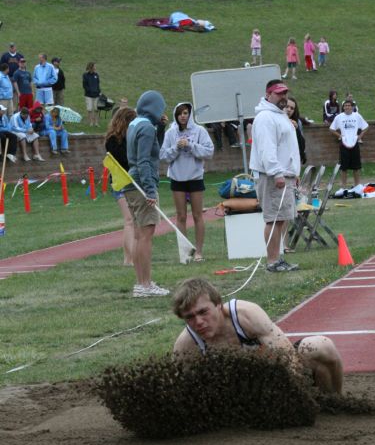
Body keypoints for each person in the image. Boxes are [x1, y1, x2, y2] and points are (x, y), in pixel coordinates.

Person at [172, 278, 344, 393]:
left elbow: (289, 360)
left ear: (218, 305)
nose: (199, 321)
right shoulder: (186, 345)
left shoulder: (245, 315)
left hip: (278, 379)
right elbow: (181, 391)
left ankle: (333, 402)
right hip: (239, 395)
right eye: (190, 317)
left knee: (322, 346)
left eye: (203, 312)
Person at [250, 79, 300, 273]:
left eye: (285, 93)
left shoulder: (279, 116)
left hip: (284, 174)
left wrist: (293, 172)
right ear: (268, 94)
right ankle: (272, 261)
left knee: (281, 219)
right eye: (279, 93)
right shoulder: (265, 118)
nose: (283, 97)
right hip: (273, 176)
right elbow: (267, 149)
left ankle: (277, 258)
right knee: (273, 218)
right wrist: (276, 173)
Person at [124, 90, 169, 298]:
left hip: (131, 183)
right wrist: (150, 190)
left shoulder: (135, 124)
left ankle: (142, 283)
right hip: (142, 185)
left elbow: (152, 150)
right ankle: (145, 284)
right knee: (146, 237)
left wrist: (161, 127)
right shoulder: (146, 127)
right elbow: (144, 160)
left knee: (140, 235)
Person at [160, 102, 214, 263]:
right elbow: (163, 155)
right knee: (181, 216)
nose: (183, 116)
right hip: (177, 178)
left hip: (195, 177)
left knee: (197, 215)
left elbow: (209, 151)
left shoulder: (199, 131)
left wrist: (191, 145)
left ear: (190, 115)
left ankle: (199, 252)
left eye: (185, 113)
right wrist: (176, 148)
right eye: (180, 113)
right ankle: (184, 253)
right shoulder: (171, 133)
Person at [105, 106, 137, 266]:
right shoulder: (113, 140)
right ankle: (129, 258)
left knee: (134, 220)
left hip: (133, 182)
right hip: (120, 182)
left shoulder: (130, 137)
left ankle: (131, 257)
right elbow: (125, 159)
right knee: (129, 219)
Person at [330, 98, 369, 190]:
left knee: (356, 167)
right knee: (343, 167)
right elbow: (331, 129)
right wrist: (340, 136)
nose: (347, 107)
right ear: (343, 107)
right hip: (344, 144)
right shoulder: (339, 117)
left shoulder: (357, 116)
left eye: (349, 105)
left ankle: (357, 186)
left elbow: (366, 127)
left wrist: (359, 136)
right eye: (345, 106)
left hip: (355, 143)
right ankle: (343, 187)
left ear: (352, 107)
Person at [285, 96, 306, 166]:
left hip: (294, 160)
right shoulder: (276, 120)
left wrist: (297, 129)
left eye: (292, 108)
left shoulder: (297, 122)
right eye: (287, 106)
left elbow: (302, 143)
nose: (289, 110)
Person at [82, 62, 100, 127]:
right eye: (94, 66)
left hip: (96, 95)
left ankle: (96, 122)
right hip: (88, 95)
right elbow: (84, 85)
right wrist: (90, 91)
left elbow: (98, 84)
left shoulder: (96, 75)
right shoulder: (85, 75)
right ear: (91, 67)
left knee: (96, 109)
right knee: (89, 109)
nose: (95, 67)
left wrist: (99, 91)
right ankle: (91, 122)